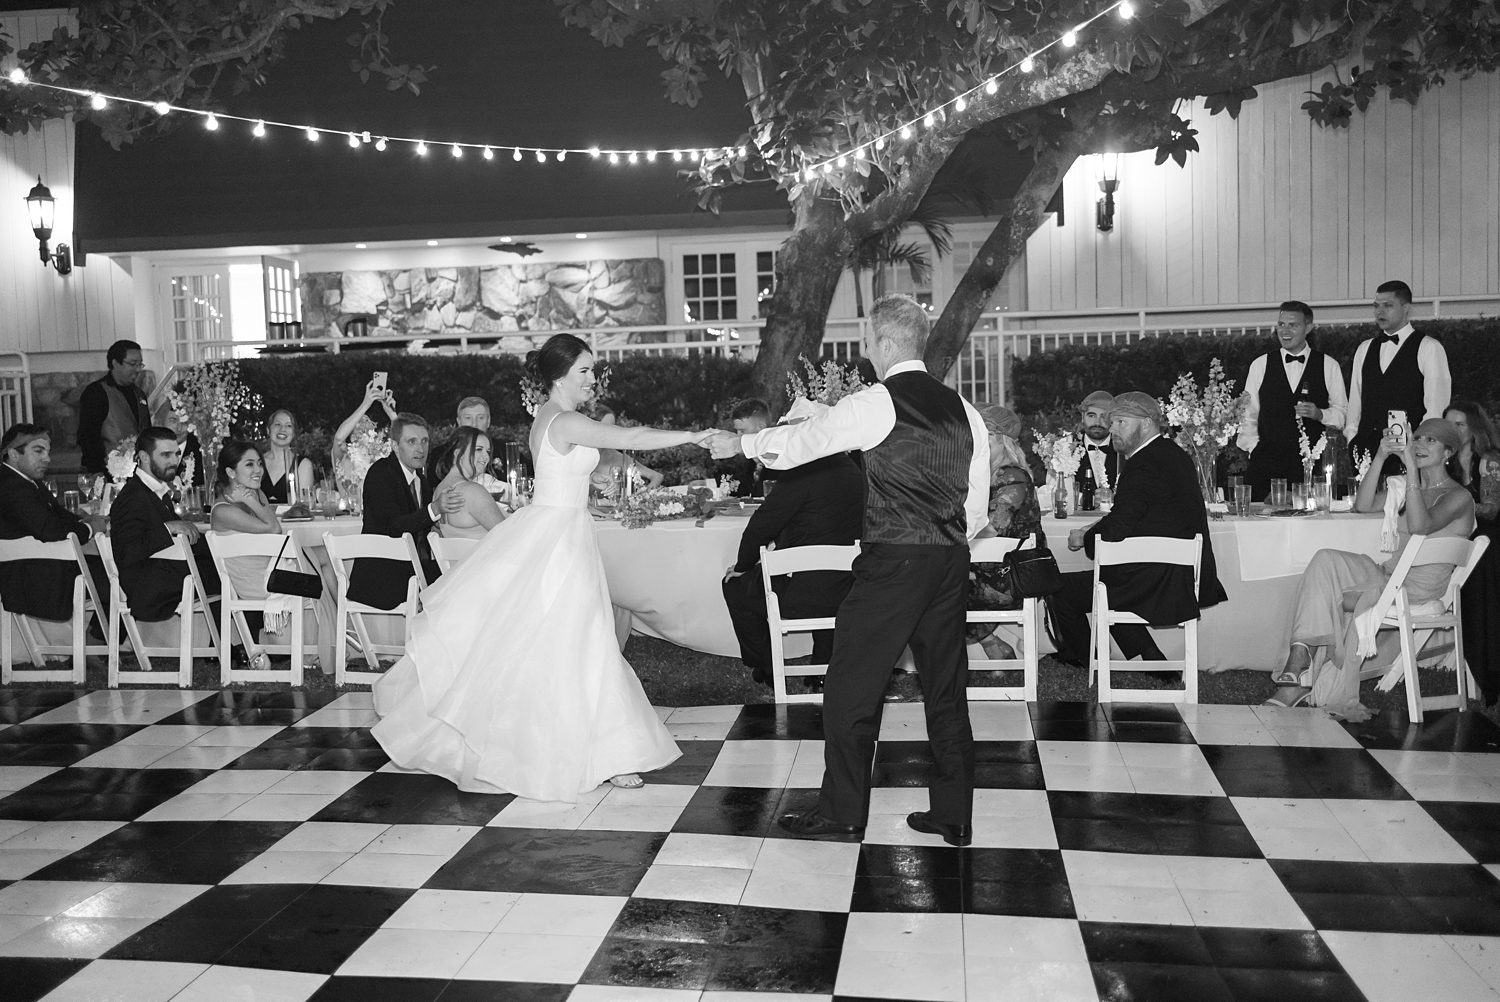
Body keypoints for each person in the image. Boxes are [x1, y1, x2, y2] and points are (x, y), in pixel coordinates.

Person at [371, 333, 712, 800]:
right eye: (585, 371)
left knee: (573, 641)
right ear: (559, 376)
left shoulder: (549, 419)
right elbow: (628, 437)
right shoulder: (564, 419)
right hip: (558, 540)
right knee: (577, 640)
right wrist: (693, 434)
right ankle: (586, 753)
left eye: (592, 369)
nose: (593, 378)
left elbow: (578, 472)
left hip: (563, 531)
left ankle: (597, 751)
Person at [709, 294, 990, 848]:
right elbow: (975, 505)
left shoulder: (879, 401)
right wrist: (943, 540)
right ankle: (954, 814)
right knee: (946, 690)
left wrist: (743, 443)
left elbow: (807, 446)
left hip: (894, 563)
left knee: (849, 688)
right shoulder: (966, 410)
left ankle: (842, 813)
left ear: (883, 342)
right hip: (950, 559)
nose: (865, 348)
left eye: (866, 338)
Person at [1268, 419, 1476, 719]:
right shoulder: (1406, 487)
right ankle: (1300, 652)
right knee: (1324, 560)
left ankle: (1295, 681)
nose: (1419, 445)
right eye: (1417, 437)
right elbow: (1363, 506)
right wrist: (1380, 456)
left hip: (1415, 590)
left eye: (1431, 441)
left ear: (1448, 452)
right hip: (1388, 576)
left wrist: (1412, 474)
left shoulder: (1458, 496)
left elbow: (1420, 526)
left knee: (1324, 592)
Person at [1046, 392, 1228, 670]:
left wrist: (1085, 537)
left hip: (1155, 581)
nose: (1111, 429)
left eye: (1120, 422)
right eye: (1111, 422)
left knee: (1058, 587)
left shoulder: (1143, 464)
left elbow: (1118, 527)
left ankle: (1086, 660)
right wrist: (1096, 528)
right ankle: (1150, 656)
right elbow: (1137, 517)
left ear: (1146, 424)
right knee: (1108, 575)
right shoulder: (1171, 455)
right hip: (1176, 574)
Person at [720, 441, 863, 686]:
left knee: (734, 587)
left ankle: (767, 666)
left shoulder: (804, 473)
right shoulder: (854, 471)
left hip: (803, 594)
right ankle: (822, 670)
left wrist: (742, 566)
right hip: (849, 588)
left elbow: (762, 526)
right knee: (824, 584)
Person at [209, 440, 330, 670]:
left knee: (326, 558)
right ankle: (335, 639)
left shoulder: (257, 495)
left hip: (270, 570)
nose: (258, 470)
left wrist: (252, 500)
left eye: (259, 464)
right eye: (249, 465)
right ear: (230, 472)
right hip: (259, 583)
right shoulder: (223, 510)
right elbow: (273, 529)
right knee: (324, 560)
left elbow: (271, 528)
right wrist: (247, 500)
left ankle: (331, 640)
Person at [1237, 301, 1349, 501]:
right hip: (1265, 465)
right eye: (1281, 324)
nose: (1284, 331)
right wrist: (1255, 448)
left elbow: (1342, 415)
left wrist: (1320, 414)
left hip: (1310, 466)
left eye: (1293, 325)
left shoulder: (1328, 365)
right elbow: (1247, 414)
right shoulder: (1260, 365)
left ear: (1308, 327)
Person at [348, 413, 459, 610]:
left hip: (412, 571)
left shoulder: (421, 482)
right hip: (383, 578)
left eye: (425, 441)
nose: (420, 449)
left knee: (462, 573)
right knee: (457, 583)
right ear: (395, 446)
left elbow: (420, 528)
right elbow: (394, 526)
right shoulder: (381, 473)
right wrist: (433, 509)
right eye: (412, 442)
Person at [0, 424, 110, 623]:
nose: (47, 459)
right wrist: (91, 528)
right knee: (124, 574)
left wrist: (90, 521)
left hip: (44, 570)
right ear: (13, 454)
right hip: (35, 580)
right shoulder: (11, 487)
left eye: (48, 452)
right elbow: (50, 529)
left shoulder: (24, 481)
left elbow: (60, 516)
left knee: (119, 568)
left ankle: (103, 642)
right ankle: (106, 643)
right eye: (38, 451)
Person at [109, 427, 220, 621]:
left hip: (168, 577)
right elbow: (128, 551)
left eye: (176, 454)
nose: (174, 461)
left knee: (229, 569)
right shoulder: (132, 497)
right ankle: (229, 648)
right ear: (143, 457)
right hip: (150, 589)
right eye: (166, 455)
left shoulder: (156, 492)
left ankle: (226, 648)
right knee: (231, 575)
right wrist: (169, 528)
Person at [1344, 280, 1452, 480]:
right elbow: (1355, 403)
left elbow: (1436, 409)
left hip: (1407, 456)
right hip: (1366, 455)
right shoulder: (1365, 348)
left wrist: (1419, 451)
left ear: (1406, 308)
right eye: (1376, 305)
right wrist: (1353, 440)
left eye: (1388, 305)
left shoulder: (1429, 347)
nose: (1379, 311)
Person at [966, 404, 1043, 660]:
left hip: (1011, 579)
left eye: (985, 435)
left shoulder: (1013, 477)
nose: (977, 441)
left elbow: (991, 528)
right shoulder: (984, 475)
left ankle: (988, 647)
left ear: (1004, 441)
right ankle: (992, 646)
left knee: (930, 586)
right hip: (986, 570)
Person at [1444, 401, 1500, 704]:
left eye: (1460, 424)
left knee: (1479, 572)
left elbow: (1491, 511)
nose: (1452, 429)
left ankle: (1486, 670)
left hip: (1490, 541)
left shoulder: (1489, 460)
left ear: (1474, 428)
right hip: (1465, 536)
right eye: (1448, 424)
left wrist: (1454, 505)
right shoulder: (1446, 463)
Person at [77, 339, 151, 475]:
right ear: (115, 363)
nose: (138, 370)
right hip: (109, 471)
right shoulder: (96, 393)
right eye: (133, 364)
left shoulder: (139, 394)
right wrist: (98, 472)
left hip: (139, 471)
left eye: (140, 364)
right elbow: (88, 437)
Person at [432, 426, 507, 539]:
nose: (486, 457)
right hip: (486, 555)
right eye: (478, 449)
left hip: (461, 556)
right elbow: (507, 534)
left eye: (488, 451)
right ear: (458, 454)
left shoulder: (439, 490)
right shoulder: (473, 491)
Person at [588, 405, 664, 497]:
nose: (609, 433)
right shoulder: (576, 453)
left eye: (612, 428)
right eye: (605, 427)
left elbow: (657, 476)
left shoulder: (615, 456)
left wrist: (641, 499)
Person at [332, 377, 399, 466]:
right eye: (359, 423)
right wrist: (365, 404)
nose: (364, 427)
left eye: (368, 421)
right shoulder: (344, 456)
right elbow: (339, 438)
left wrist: (393, 416)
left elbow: (407, 448)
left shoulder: (385, 456)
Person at [1074, 390, 1120, 509]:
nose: (1097, 422)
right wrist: (1087, 498)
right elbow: (1053, 491)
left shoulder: (1124, 449)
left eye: (1104, 416)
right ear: (1082, 417)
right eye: (1091, 415)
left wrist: (1116, 497)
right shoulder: (1066, 449)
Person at [260, 409, 316, 505]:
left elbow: (303, 506)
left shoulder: (303, 465)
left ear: (293, 434)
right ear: (268, 430)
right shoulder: (257, 462)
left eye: (288, 425)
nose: (282, 429)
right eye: (277, 424)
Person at [725, 398, 777, 498]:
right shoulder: (749, 463)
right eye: (736, 431)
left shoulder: (780, 463)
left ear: (761, 428)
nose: (737, 436)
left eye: (742, 431)